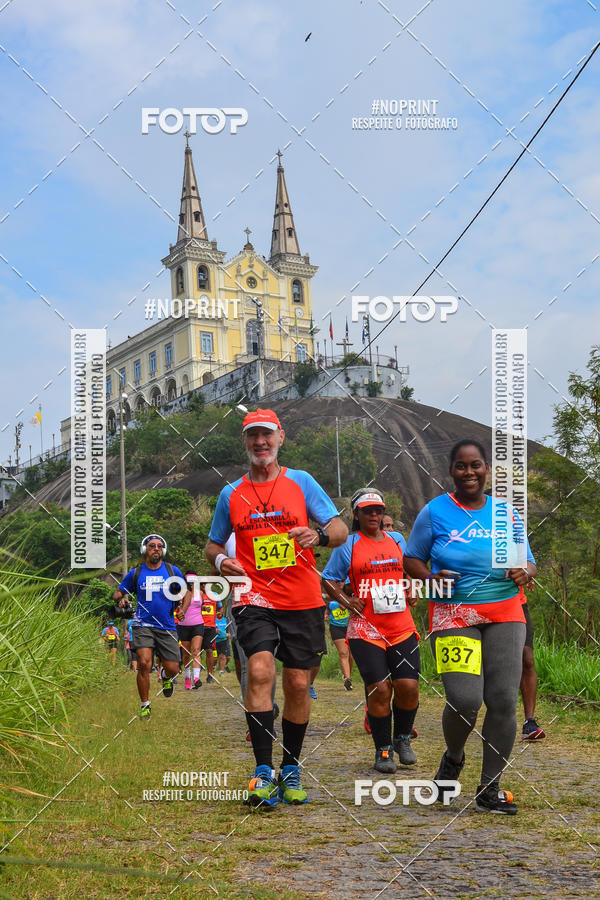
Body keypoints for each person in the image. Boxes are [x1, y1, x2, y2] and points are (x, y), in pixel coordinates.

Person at [206, 408, 348, 807]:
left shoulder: (300, 482)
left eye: (266, 435)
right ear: (245, 442)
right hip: (254, 596)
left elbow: (340, 529)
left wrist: (317, 535)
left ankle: (291, 766)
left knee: (299, 683)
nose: (260, 443)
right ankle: (263, 771)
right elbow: (213, 544)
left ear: (280, 437)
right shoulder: (230, 493)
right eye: (252, 436)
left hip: (302, 598)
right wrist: (221, 562)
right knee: (260, 669)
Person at [404, 439, 536, 814]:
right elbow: (411, 559)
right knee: (464, 699)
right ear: (451, 471)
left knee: (502, 700)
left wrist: (524, 571)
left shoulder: (506, 514)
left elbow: (528, 560)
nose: (469, 473)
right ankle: (453, 757)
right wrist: (430, 575)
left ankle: (489, 788)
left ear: (486, 469)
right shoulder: (435, 512)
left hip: (505, 610)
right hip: (452, 612)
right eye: (461, 466)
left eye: (476, 465)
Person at [323, 488, 420, 772]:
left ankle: (402, 738)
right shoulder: (348, 545)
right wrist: (346, 600)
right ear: (357, 514)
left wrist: (412, 586)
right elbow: (328, 580)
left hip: (401, 627)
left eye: (378, 510)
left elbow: (409, 570)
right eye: (367, 511)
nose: (374, 515)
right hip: (366, 629)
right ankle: (383, 750)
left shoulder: (397, 540)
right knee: (379, 690)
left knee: (408, 687)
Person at [113, 534, 191, 718]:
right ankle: (145, 704)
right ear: (144, 550)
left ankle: (165, 675)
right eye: (151, 546)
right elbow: (118, 592)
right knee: (143, 663)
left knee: (173, 669)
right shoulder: (136, 573)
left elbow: (187, 593)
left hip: (167, 626)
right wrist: (121, 598)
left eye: (159, 546)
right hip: (142, 625)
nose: (156, 548)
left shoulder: (173, 571)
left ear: (163, 550)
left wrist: (183, 609)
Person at [521, 596, 546, 740]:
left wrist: (527, 574)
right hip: (479, 600)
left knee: (527, 659)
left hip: (515, 603)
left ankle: (529, 723)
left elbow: (531, 572)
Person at [177, 573, 205, 690]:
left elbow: (199, 606)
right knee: (186, 654)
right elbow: (178, 606)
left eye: (194, 581)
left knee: (196, 651)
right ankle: (188, 677)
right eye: (190, 581)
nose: (192, 584)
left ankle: (196, 678)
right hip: (184, 626)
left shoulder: (201, 593)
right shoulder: (181, 593)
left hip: (198, 624)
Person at [326, 597, 354, 690]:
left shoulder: (349, 596)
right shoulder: (329, 597)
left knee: (351, 656)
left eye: (342, 581)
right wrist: (325, 614)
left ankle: (347, 676)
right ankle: (347, 680)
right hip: (336, 628)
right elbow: (326, 610)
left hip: (350, 627)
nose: (340, 583)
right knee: (343, 653)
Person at [200, 591, 220, 683]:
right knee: (197, 651)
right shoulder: (197, 594)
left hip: (210, 627)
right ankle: (196, 675)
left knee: (209, 651)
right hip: (198, 625)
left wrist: (216, 618)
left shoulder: (215, 595)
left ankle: (209, 674)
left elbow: (220, 608)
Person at [215, 605, 231, 674]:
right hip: (215, 641)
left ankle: (221, 670)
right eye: (218, 611)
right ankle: (214, 667)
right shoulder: (213, 620)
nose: (220, 613)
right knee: (215, 658)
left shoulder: (226, 620)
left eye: (221, 611)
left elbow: (228, 629)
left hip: (224, 640)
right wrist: (214, 630)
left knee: (225, 656)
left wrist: (228, 634)